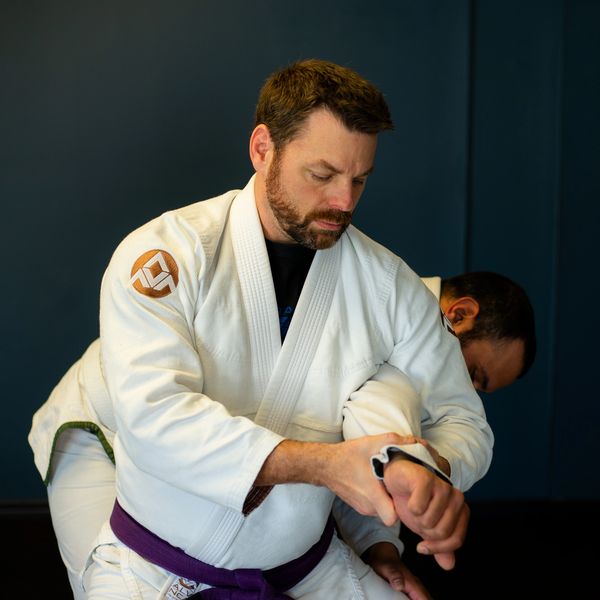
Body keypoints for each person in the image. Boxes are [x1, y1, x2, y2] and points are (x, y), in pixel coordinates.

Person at [29, 59, 493, 599]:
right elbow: (155, 418)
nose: (344, 202)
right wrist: (324, 466)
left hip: (303, 564)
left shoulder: (392, 289)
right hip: (150, 562)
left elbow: (465, 422)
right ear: (262, 148)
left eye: (359, 179)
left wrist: (428, 471)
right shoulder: (168, 253)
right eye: (321, 175)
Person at [28, 270, 532, 600]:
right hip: (105, 421)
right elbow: (364, 440)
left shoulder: (417, 372)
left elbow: (353, 455)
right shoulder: (378, 302)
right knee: (103, 586)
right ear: (458, 314)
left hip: (224, 461)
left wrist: (380, 546)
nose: (467, 393)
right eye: (475, 374)